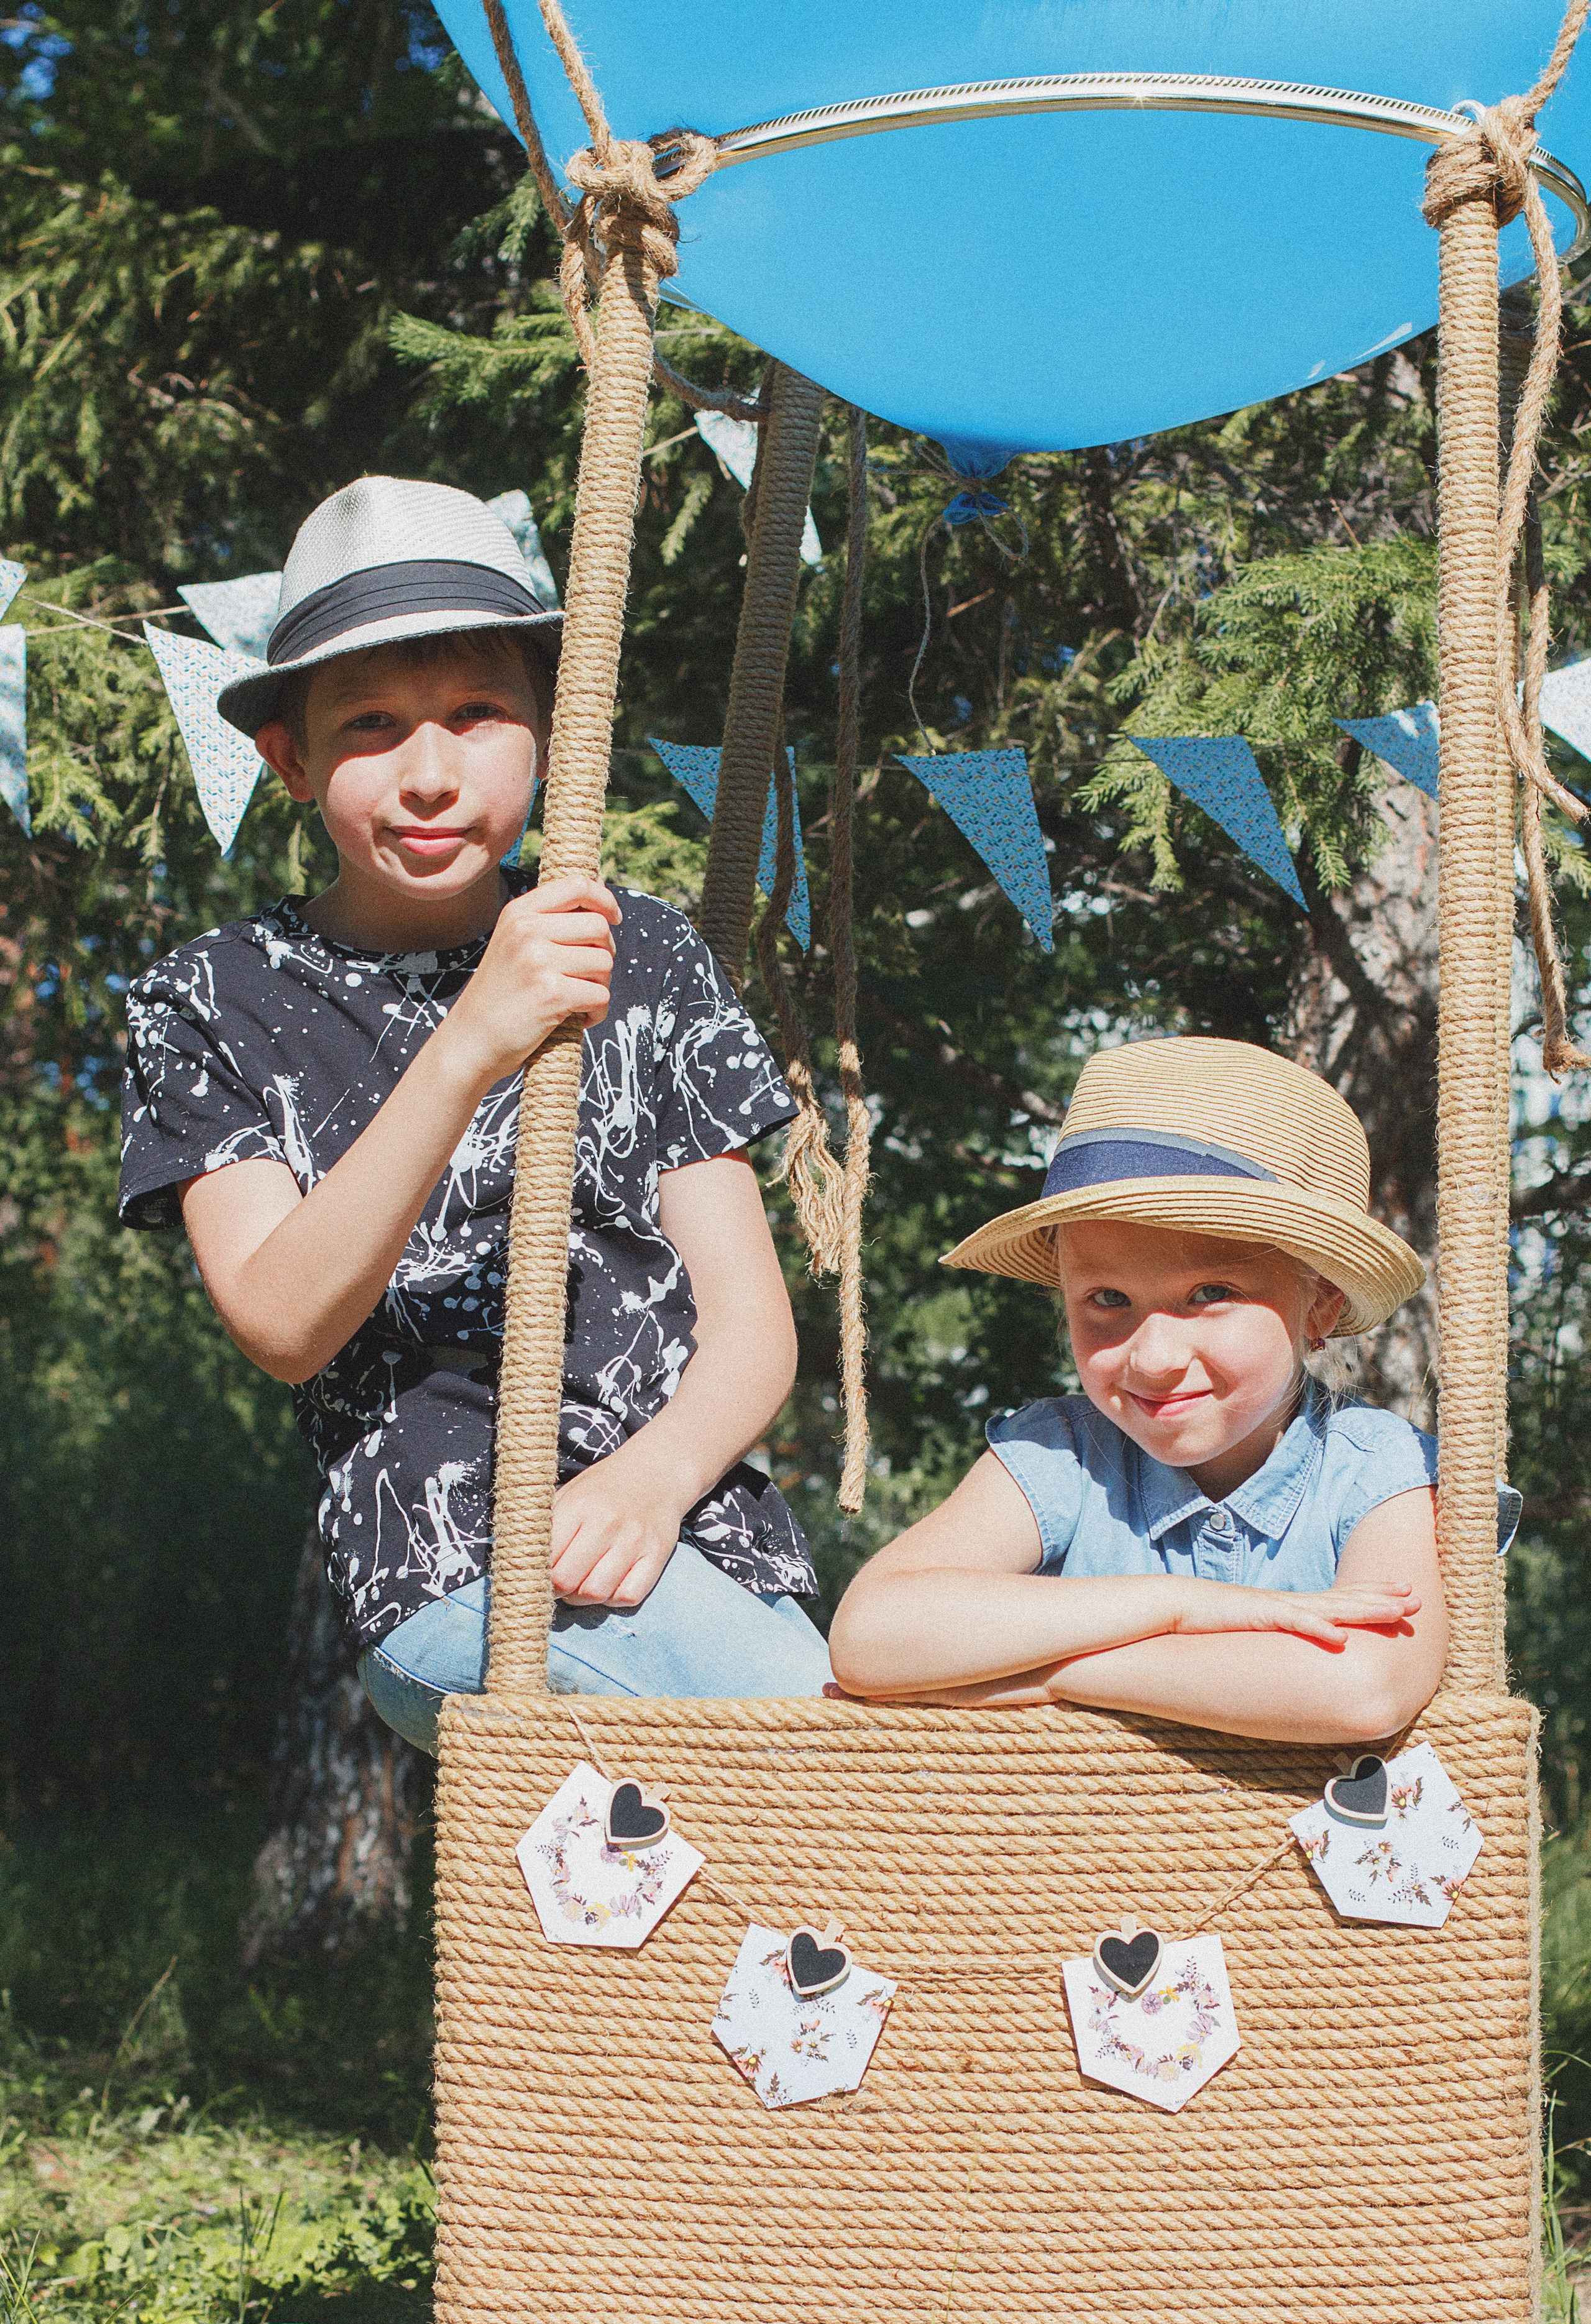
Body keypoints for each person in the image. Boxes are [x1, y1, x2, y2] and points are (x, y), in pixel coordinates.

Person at [119, 475, 830, 1750]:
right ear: (287, 759)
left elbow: (751, 1321)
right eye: (373, 726)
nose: (430, 773)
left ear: (550, 731)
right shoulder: (211, 998)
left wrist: (650, 1484)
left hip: (698, 1548)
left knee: (720, 1927)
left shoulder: (641, 953)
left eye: (475, 714)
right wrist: (467, 1047)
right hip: (462, 1574)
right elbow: (282, 1321)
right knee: (845, 1798)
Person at [829, 1036, 1518, 1742]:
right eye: (1106, 1299)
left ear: (1321, 1305)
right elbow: (869, 1637)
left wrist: (1056, 1677)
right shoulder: (1061, 1453)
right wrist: (1180, 1606)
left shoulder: (1381, 1470)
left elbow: (1363, 1689)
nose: (1153, 1358)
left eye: (1209, 1293)